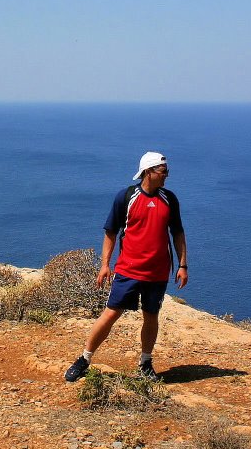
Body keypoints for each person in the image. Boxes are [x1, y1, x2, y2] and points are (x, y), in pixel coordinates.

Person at [65, 151, 188, 382]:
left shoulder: (169, 199)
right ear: (148, 172)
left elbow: (178, 233)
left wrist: (183, 265)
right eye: (163, 172)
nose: (167, 176)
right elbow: (110, 232)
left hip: (158, 272)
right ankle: (84, 359)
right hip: (128, 270)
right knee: (111, 313)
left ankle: (145, 362)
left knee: (151, 316)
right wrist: (105, 265)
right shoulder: (126, 197)